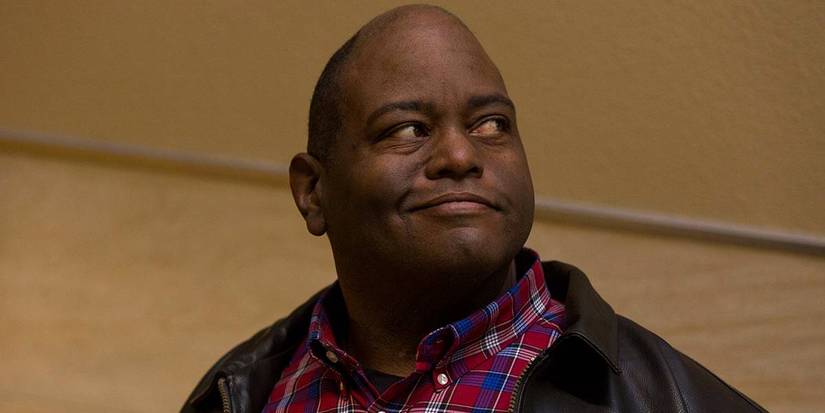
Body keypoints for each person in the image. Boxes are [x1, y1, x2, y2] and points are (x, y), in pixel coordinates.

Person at [182, 5, 766, 413]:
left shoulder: (672, 401)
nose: (461, 155)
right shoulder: (238, 392)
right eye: (408, 129)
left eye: (492, 124)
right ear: (313, 191)